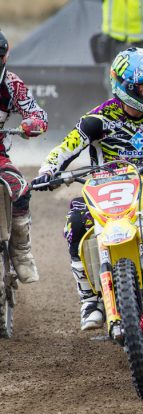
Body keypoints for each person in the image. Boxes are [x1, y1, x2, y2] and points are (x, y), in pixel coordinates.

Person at [32, 47, 143, 345]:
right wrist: (48, 170)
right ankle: (90, 300)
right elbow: (65, 147)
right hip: (108, 195)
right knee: (76, 218)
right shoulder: (98, 119)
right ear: (126, 88)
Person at [0, 31, 48, 284]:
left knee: (20, 189)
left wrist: (32, 124)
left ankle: (21, 252)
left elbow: (37, 113)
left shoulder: (11, 84)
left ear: (5, 56)